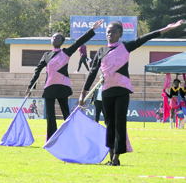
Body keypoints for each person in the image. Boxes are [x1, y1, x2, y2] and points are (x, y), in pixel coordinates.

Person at [79, 20, 185, 166]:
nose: (110, 34)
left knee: (119, 124)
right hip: (106, 91)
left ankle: (116, 158)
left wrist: (166, 28)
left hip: (122, 90)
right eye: (108, 31)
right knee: (109, 124)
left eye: (114, 32)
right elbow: (92, 72)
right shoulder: (100, 52)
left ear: (120, 34)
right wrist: (83, 93)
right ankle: (111, 157)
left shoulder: (126, 47)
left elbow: (146, 37)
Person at [27, 19, 104, 141]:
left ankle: (70, 136)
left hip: (62, 86)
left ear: (62, 41)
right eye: (53, 37)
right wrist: (30, 86)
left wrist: (92, 30)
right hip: (49, 87)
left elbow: (79, 42)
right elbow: (38, 70)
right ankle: (51, 139)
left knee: (65, 113)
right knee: (50, 115)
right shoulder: (46, 55)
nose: (55, 38)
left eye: (58, 37)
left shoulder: (66, 52)